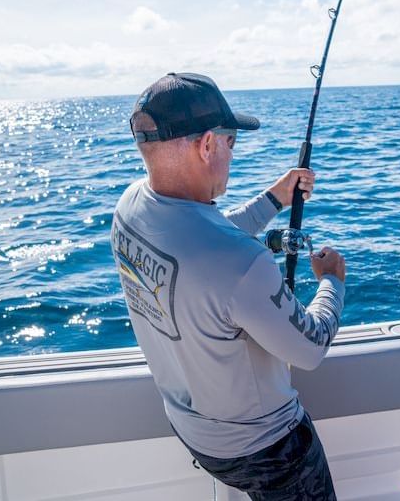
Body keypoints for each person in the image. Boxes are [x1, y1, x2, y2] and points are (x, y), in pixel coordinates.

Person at [110, 72, 346, 500]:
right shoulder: (240, 262)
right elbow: (311, 347)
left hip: (194, 431)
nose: (231, 155)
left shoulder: (130, 208)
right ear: (206, 145)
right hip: (270, 452)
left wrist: (277, 196)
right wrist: (331, 282)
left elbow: (206, 234)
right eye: (230, 143)